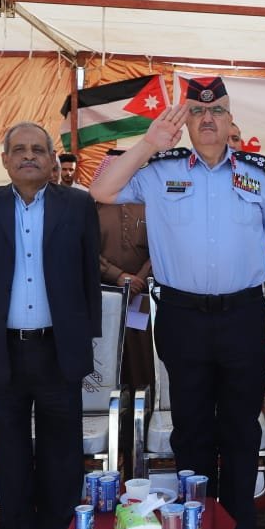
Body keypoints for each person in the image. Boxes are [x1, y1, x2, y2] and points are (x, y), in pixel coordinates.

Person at [89, 77, 265, 529]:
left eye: (217, 111)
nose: (207, 120)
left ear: (230, 120)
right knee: (192, 429)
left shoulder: (257, 175)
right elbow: (101, 189)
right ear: (185, 122)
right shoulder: (160, 170)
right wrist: (148, 143)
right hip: (183, 317)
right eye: (197, 112)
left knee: (241, 429)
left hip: (243, 315)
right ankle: (198, 527)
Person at [0, 122, 102, 529]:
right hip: (2, 350)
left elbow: (88, 277)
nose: (28, 156)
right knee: (11, 451)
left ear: (52, 159)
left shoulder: (77, 204)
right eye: (18, 149)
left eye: (38, 149)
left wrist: (85, 339)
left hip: (57, 348)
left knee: (63, 452)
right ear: (4, 159)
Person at [93, 150, 154, 389]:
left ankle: (142, 399)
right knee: (108, 346)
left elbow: (161, 247)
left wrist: (139, 278)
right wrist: (117, 276)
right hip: (105, 292)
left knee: (139, 344)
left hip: (141, 294)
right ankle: (111, 399)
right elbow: (86, 249)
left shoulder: (149, 204)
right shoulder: (93, 208)